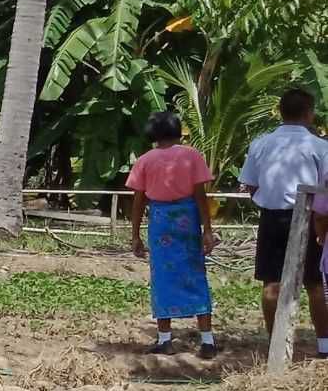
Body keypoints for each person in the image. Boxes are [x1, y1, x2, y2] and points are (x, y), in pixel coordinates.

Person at [238, 87, 328, 355]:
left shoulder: (261, 144)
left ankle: (275, 344)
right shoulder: (319, 146)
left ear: (280, 112)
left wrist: (268, 199)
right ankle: (325, 345)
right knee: (315, 283)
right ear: (309, 114)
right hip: (309, 216)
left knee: (271, 282)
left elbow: (251, 184)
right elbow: (325, 187)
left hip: (272, 217)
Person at [126, 111, 218, 358]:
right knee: (196, 274)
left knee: (162, 277)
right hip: (187, 221)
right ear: (178, 130)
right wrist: (207, 230)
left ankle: (165, 339)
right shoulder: (192, 156)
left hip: (160, 222)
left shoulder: (144, 160)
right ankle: (207, 341)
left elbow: (138, 202)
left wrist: (135, 235)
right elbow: (200, 196)